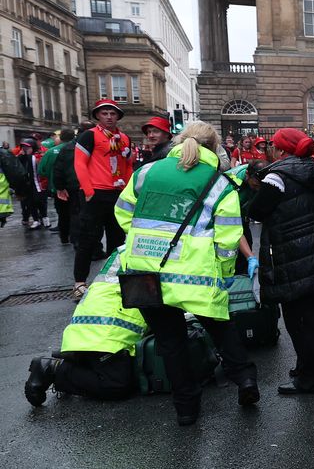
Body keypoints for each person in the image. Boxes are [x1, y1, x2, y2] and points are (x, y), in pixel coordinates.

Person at [114, 122, 258, 425]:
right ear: (214, 147)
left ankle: (186, 409)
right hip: (197, 276)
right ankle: (245, 380)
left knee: (170, 341)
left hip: (145, 273)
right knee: (220, 327)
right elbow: (229, 235)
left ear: (179, 141)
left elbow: (123, 212)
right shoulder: (220, 184)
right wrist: (225, 270)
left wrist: (144, 242)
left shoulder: (146, 173)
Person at [247, 128, 314, 394]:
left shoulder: (278, 176)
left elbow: (257, 209)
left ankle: (312, 379)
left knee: (300, 320)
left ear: (280, 150)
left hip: (294, 257)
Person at [24, 248, 144, 406]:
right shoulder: (161, 249)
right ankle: (52, 368)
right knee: (116, 385)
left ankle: (80, 361)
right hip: (107, 330)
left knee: (133, 376)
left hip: (96, 323)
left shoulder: (131, 246)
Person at [72, 99, 134, 300]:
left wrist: (128, 190)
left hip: (117, 193)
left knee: (117, 239)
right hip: (96, 193)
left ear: (117, 117)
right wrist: (89, 192)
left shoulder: (123, 138)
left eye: (112, 114)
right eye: (105, 113)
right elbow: (80, 164)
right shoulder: (89, 136)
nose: (109, 117)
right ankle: (79, 282)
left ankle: (111, 280)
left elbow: (128, 166)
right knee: (89, 238)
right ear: (98, 116)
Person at [54, 125, 86, 244]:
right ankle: (83, 242)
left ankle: (75, 239)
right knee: (83, 214)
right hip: (85, 186)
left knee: (74, 213)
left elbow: (57, 170)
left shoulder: (65, 148)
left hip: (72, 186)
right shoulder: (91, 146)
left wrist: (60, 187)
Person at [17, 139, 48, 229]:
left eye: (27, 147)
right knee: (30, 203)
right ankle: (36, 220)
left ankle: (45, 219)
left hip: (39, 184)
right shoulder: (23, 157)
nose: (25, 149)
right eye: (23, 147)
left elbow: (41, 170)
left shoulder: (37, 157)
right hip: (28, 185)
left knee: (40, 202)